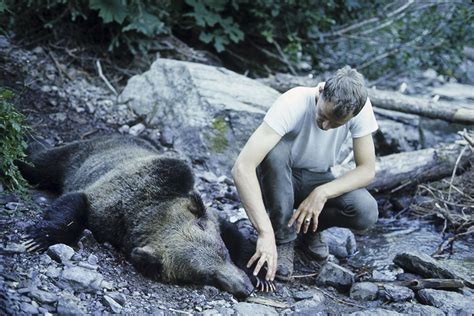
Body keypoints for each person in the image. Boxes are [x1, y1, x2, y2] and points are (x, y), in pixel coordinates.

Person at [231, 66, 379, 283]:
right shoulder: (293, 101)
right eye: (323, 116)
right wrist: (265, 233)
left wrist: (322, 192)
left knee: (366, 210)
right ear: (320, 92)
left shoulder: (361, 109)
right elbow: (242, 168)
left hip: (318, 177)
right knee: (274, 151)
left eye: (337, 124)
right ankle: (283, 238)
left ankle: (309, 229)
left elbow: (367, 170)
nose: (327, 126)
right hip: (278, 178)